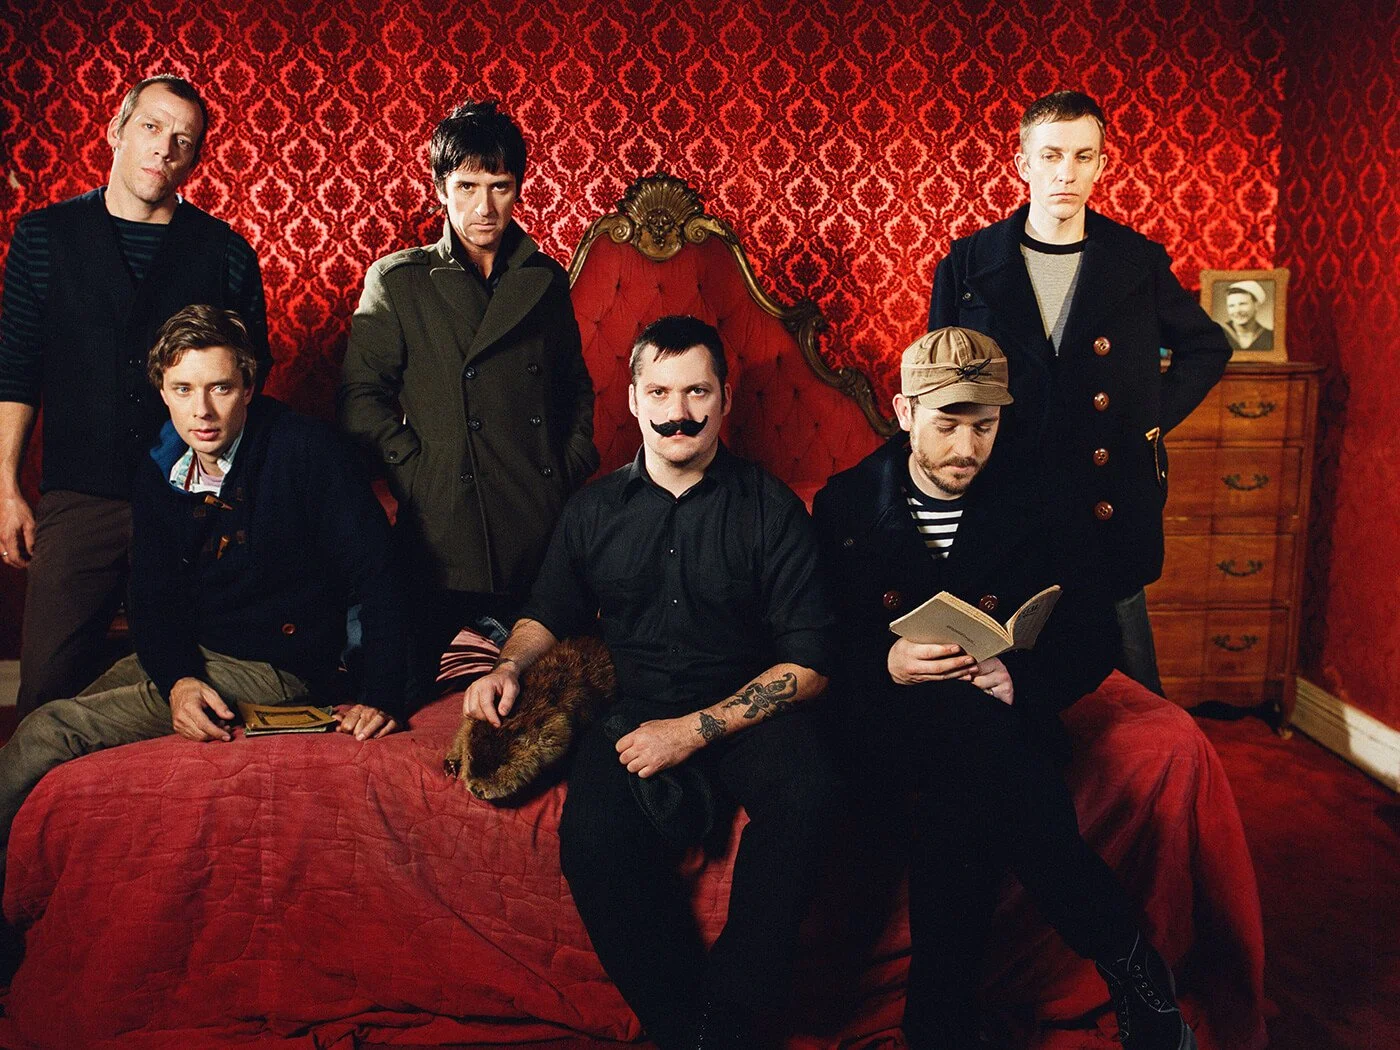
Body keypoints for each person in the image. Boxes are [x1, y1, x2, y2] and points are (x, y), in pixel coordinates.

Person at [812, 327, 1197, 1050]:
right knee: (978, 765)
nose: (967, 447)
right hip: (890, 726)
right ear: (903, 413)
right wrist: (885, 666)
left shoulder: (1040, 500)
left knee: (961, 802)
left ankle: (938, 1029)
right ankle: (1127, 956)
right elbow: (814, 639)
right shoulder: (844, 506)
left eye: (984, 426)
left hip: (995, 718)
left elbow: (1094, 635)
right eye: (948, 424)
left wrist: (1018, 675)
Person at [462, 316, 836, 1049]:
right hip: (631, 711)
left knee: (814, 794)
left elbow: (810, 664)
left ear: (724, 399)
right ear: (633, 400)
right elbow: (547, 612)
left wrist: (693, 731)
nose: (679, 410)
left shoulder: (770, 509)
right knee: (592, 841)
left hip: (748, 709)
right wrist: (509, 664)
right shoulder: (594, 510)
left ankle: (731, 1019)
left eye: (698, 390)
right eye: (660, 390)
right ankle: (688, 1033)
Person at [0, 305, 406, 900]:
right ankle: (36, 890)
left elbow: (382, 572)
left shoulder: (307, 450)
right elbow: (153, 601)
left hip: (281, 667)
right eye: (183, 389)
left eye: (219, 387)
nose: (202, 411)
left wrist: (384, 693)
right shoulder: (162, 467)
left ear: (248, 386)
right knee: (64, 715)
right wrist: (181, 680)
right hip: (203, 650)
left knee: (48, 732)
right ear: (162, 390)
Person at [927, 89, 1230, 695]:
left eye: (1083, 156)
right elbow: (943, 379)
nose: (1067, 173)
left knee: (1131, 695)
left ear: (1102, 164)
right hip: (1005, 491)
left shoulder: (1134, 261)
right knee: (997, 690)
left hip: (1103, 497)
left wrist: (1143, 422)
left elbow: (1208, 347)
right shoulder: (968, 263)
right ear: (1023, 163)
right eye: (1052, 155)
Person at [0, 74, 270, 716]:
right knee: (47, 693)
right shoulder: (43, 239)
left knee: (197, 685)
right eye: (150, 127)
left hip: (191, 501)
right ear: (118, 130)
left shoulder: (227, 253)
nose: (164, 148)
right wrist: (5, 486)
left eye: (183, 139)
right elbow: (15, 368)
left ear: (196, 156)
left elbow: (249, 387)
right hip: (80, 495)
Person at [340, 99, 597, 705]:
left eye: (500, 187)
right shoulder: (399, 280)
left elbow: (574, 389)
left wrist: (567, 468)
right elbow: (360, 398)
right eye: (467, 186)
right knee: (392, 695)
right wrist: (418, 471)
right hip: (441, 527)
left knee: (557, 699)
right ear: (440, 189)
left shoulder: (545, 278)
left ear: (519, 188)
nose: (484, 208)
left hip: (536, 519)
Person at [1220, 281, 1274, 351]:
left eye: (1243, 304)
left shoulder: (1270, 336)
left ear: (1256, 305)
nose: (1237, 311)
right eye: (1231, 306)